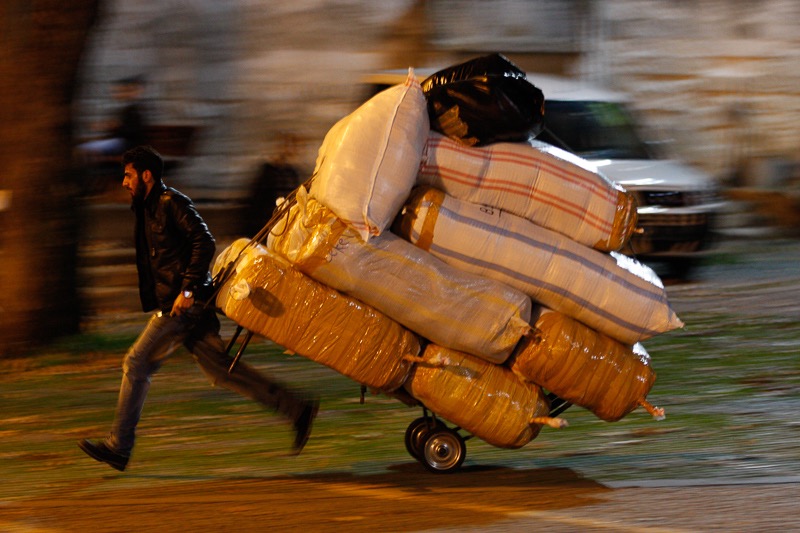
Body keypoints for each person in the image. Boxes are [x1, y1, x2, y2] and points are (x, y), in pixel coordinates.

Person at [78, 145, 318, 472]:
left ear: (146, 175)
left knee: (136, 362)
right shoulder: (146, 208)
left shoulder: (169, 203)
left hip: (184, 305)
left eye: (128, 175)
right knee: (220, 371)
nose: (123, 182)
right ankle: (297, 408)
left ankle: (119, 447)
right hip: (180, 303)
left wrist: (188, 289)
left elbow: (203, 241)